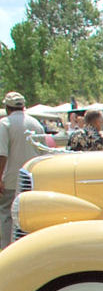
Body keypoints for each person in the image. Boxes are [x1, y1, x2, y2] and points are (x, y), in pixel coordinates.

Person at [0, 91, 43, 247]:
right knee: (30, 217)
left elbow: (2, 154)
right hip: (32, 180)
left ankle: (7, 249)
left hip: (11, 179)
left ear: (7, 107)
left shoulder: (5, 124)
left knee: (7, 216)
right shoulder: (36, 124)